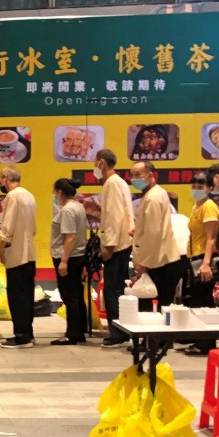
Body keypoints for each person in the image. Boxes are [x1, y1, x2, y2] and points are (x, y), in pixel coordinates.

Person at [131, 161, 183, 308]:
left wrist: (143, 262)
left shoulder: (152, 198)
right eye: (132, 175)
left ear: (151, 175)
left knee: (150, 303)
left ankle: (151, 332)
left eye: (138, 175)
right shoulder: (157, 192)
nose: (134, 179)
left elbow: (152, 233)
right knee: (163, 304)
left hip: (157, 260)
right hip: (161, 257)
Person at [96, 148, 134, 348]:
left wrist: (108, 245)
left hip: (116, 244)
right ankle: (121, 331)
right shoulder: (120, 182)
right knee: (117, 288)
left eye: (96, 162)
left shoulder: (111, 183)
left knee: (112, 289)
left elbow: (112, 216)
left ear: (102, 162)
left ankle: (117, 333)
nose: (95, 166)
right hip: (124, 241)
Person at [0, 166, 37, 349]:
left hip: (17, 254)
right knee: (27, 296)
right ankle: (28, 332)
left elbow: (7, 226)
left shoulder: (12, 196)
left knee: (17, 297)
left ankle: (21, 336)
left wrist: (1, 248)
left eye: (0, 178)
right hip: (29, 253)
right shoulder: (29, 195)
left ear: (5, 178)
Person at [181, 172, 219, 356]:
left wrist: (206, 263)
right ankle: (200, 341)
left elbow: (211, 238)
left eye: (201, 187)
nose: (196, 190)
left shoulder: (209, 207)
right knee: (196, 301)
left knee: (204, 302)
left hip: (202, 259)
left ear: (210, 188)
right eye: (194, 187)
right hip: (193, 258)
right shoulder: (196, 207)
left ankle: (207, 343)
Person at [50, 178, 88, 345]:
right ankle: (79, 330)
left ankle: (71, 334)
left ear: (60, 192)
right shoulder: (79, 206)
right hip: (78, 256)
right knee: (76, 295)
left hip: (68, 257)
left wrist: (63, 261)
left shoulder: (67, 210)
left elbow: (70, 236)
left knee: (69, 296)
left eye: (55, 192)